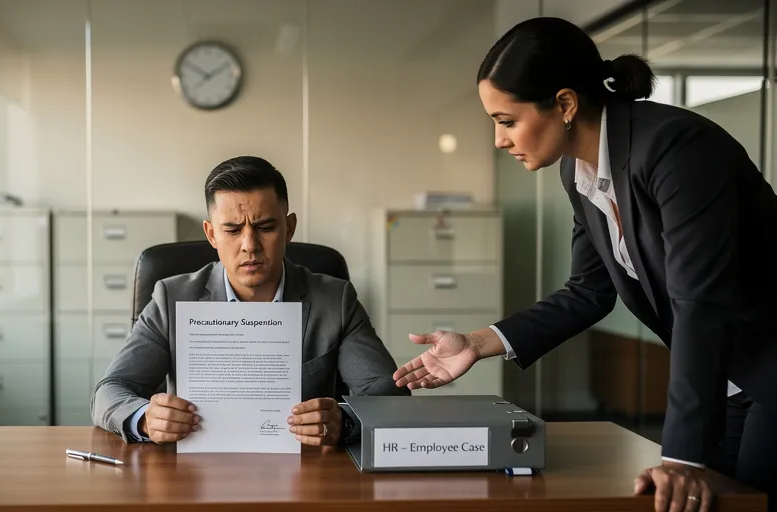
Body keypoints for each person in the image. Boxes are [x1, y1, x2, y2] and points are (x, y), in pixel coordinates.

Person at [393, 17, 777, 512]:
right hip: (722, 379)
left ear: (566, 104)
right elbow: (588, 291)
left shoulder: (676, 149)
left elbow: (698, 302)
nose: (499, 141)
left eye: (507, 121)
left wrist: (680, 456)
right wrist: (478, 343)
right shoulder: (579, 171)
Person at [93, 155, 409, 447]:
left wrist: (344, 420)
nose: (249, 245)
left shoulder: (334, 300)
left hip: (304, 477)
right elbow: (109, 393)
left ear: (288, 228)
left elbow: (389, 396)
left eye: (265, 227)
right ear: (211, 234)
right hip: (193, 478)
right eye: (232, 229)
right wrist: (145, 418)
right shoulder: (172, 298)